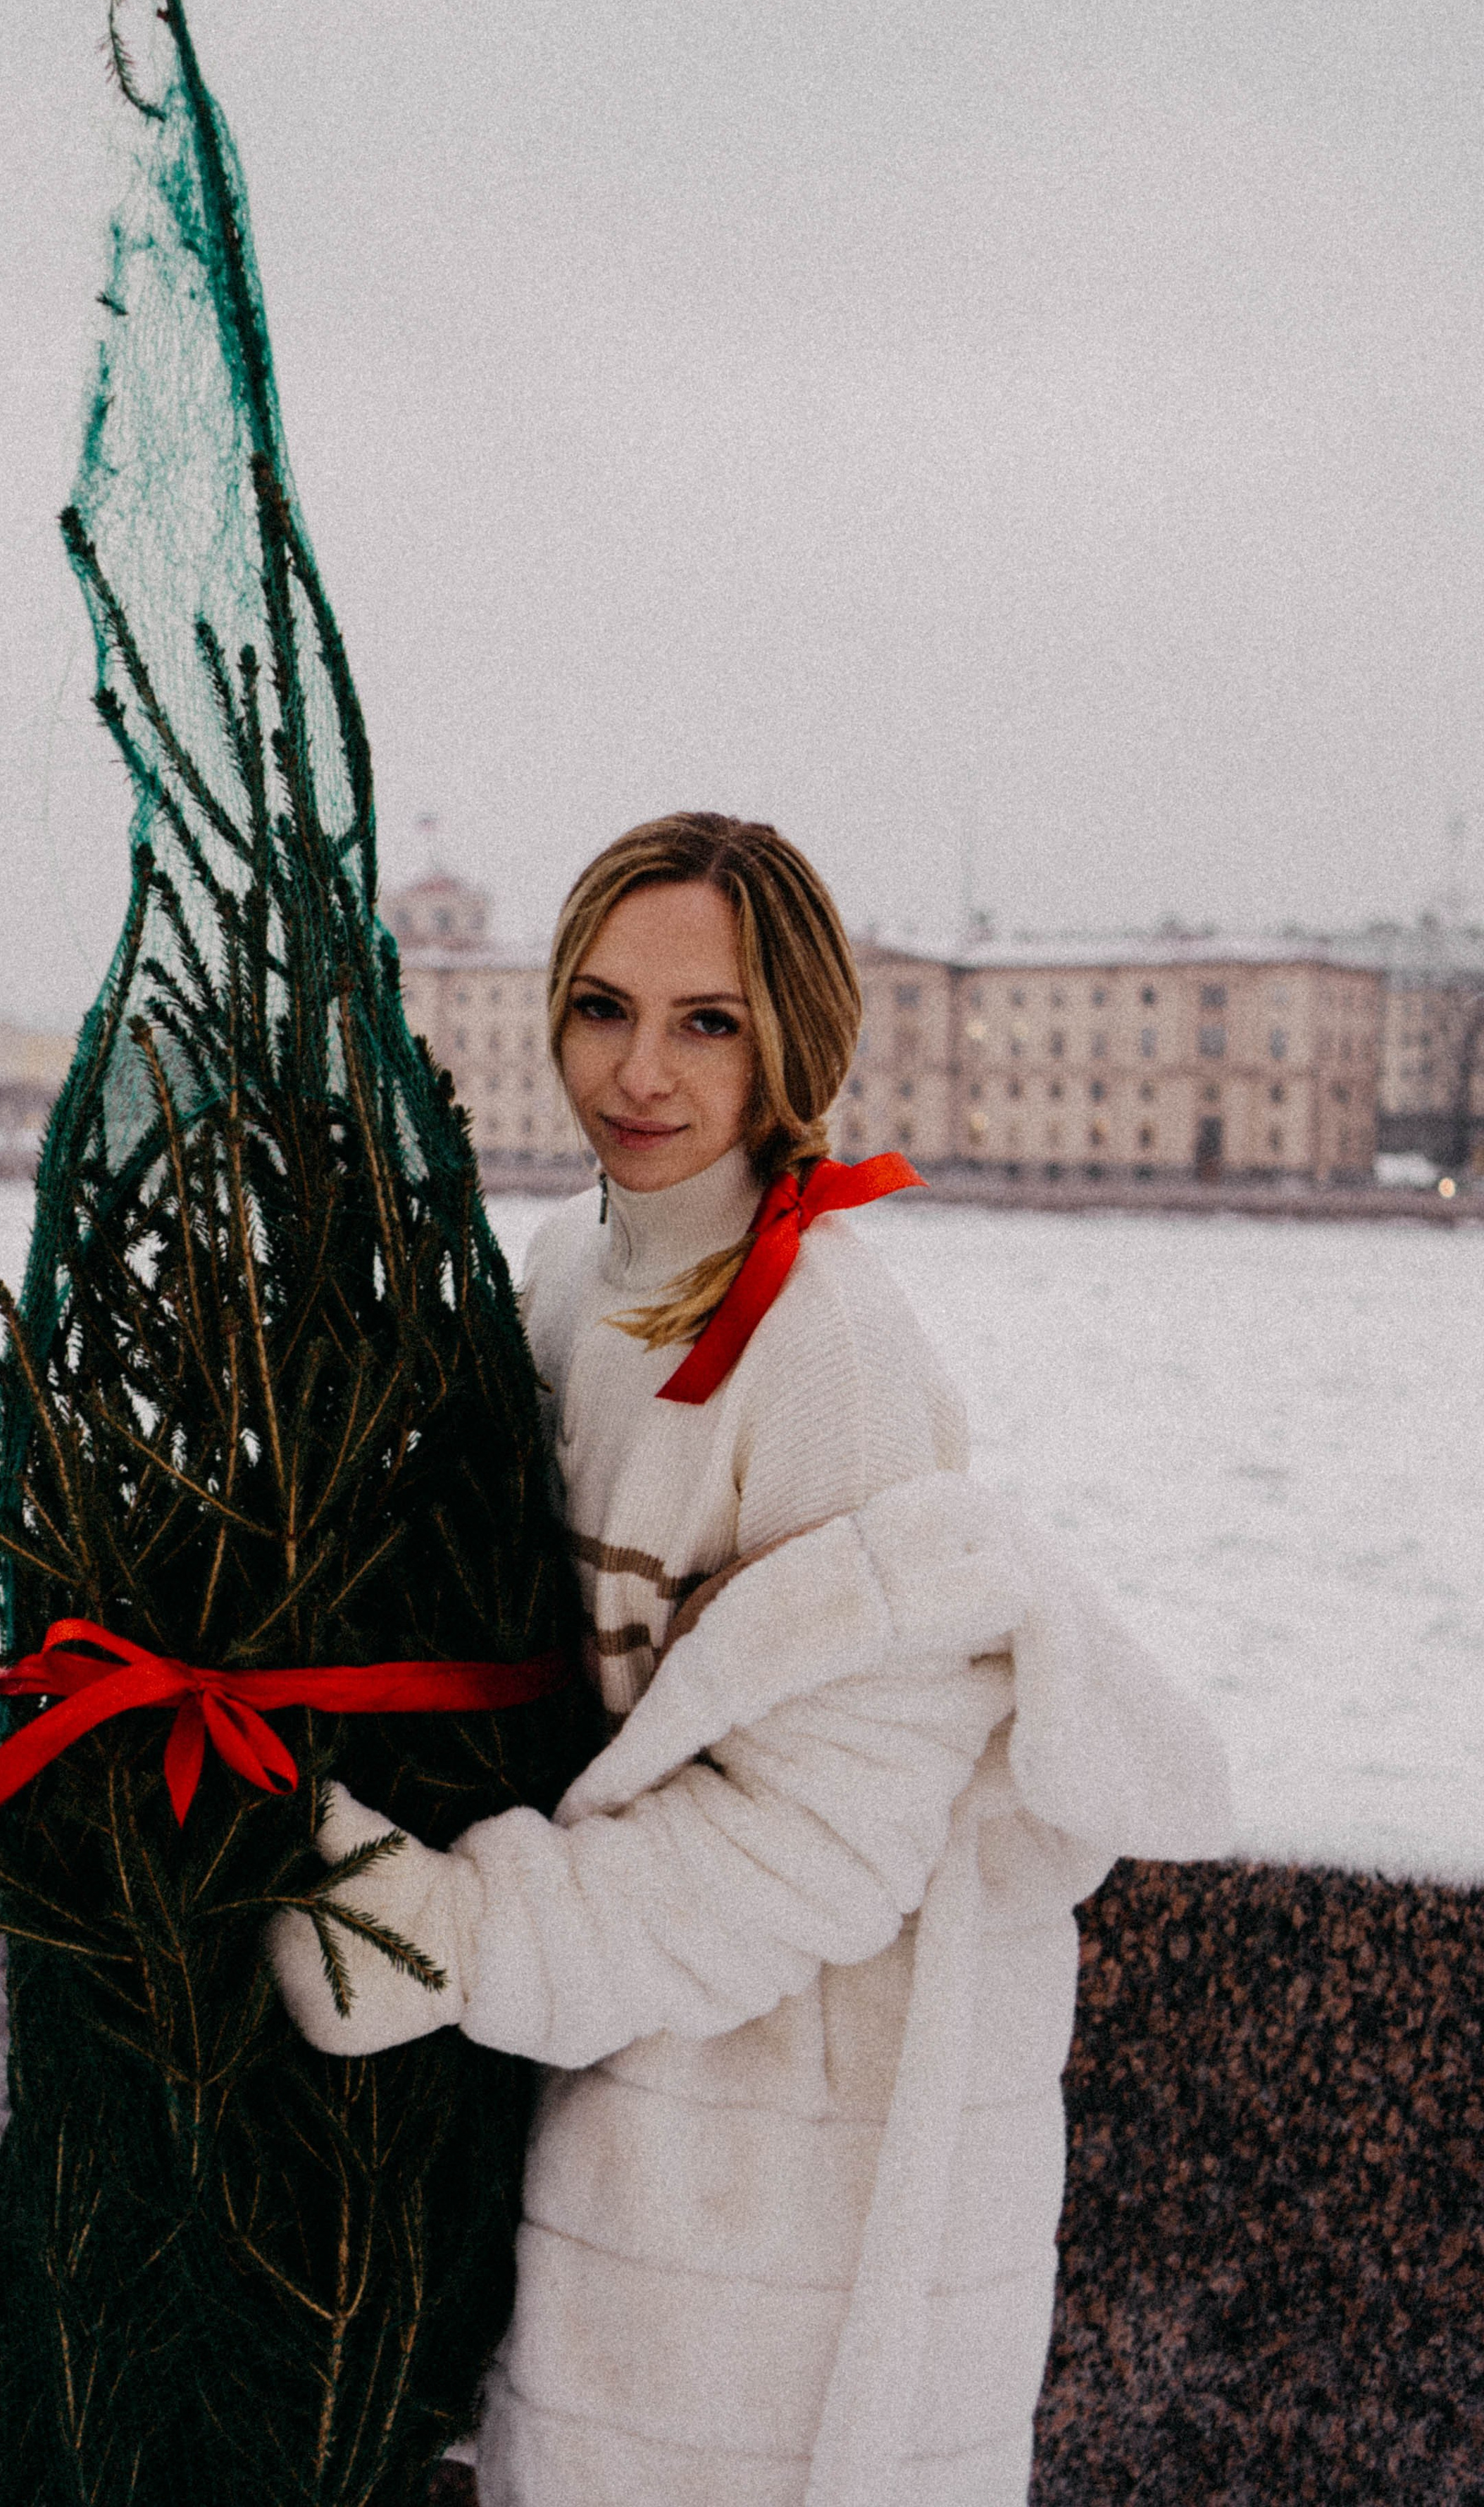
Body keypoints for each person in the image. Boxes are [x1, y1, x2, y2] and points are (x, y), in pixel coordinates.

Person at [269, 811, 1228, 2507]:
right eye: (600, 1007)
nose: (637, 1073)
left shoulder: (824, 1341)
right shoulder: (576, 1265)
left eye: (706, 1021)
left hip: (798, 2132)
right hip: (642, 2047)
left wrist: (451, 1932)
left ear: (794, 1040)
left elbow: (817, 1840)